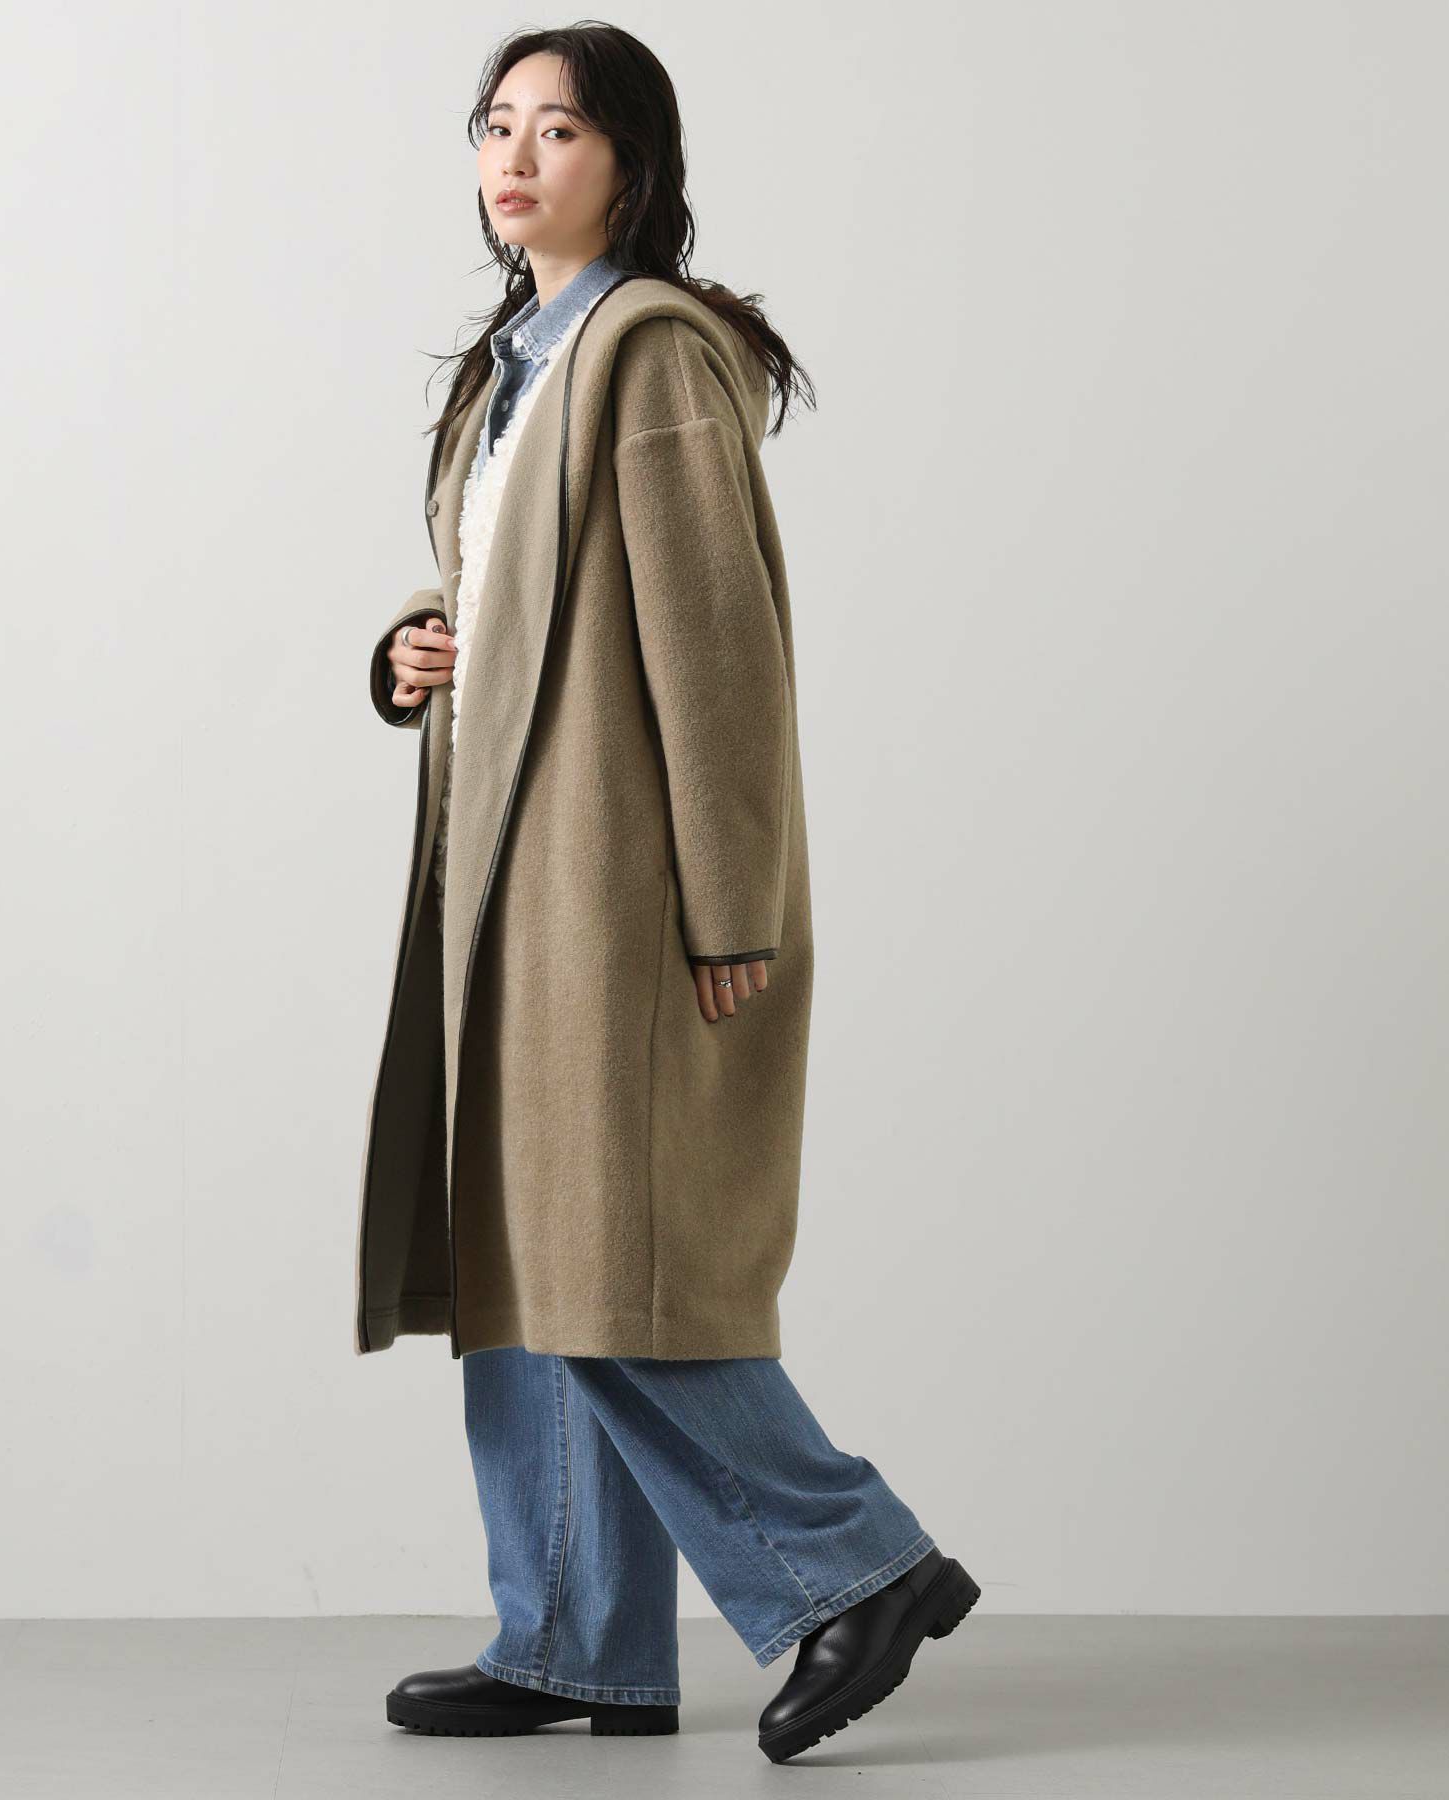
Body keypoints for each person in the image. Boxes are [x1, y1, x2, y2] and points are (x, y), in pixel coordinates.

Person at [357, 23, 978, 1764]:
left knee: (612, 1257)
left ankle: (860, 1564)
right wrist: (416, 649)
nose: (516, 156)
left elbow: (719, 652)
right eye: (496, 125)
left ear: (631, 161)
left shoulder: (649, 355)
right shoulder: (509, 369)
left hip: (616, 885)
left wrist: (731, 906)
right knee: (524, 1258)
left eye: (560, 128)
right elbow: (511, 591)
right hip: (504, 873)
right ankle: (573, 1638)